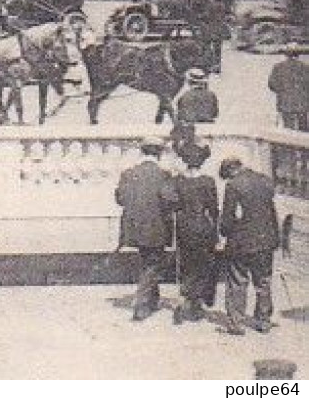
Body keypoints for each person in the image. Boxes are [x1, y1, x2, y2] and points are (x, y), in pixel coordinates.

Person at [217, 155, 281, 335]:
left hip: (241, 243)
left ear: (230, 170)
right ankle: (263, 321)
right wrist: (275, 239)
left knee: (237, 281)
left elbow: (228, 216)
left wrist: (223, 232)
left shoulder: (234, 185)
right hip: (265, 241)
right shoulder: (265, 181)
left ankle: (236, 323)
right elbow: (272, 212)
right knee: (263, 281)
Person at [116, 136, 173, 321]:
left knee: (148, 261)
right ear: (159, 153)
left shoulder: (128, 173)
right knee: (153, 263)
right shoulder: (163, 174)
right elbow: (169, 200)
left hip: (133, 227)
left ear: (142, 151)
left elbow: (120, 198)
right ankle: (141, 304)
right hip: (156, 226)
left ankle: (152, 299)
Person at [165, 143, 219, 324]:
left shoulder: (178, 181)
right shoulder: (208, 182)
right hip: (203, 227)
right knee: (203, 265)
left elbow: (172, 203)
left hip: (184, 227)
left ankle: (184, 299)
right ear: (202, 162)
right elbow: (213, 209)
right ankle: (196, 303)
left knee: (186, 264)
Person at [171, 68, 219, 160]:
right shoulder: (212, 95)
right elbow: (215, 114)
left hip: (190, 132)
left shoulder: (185, 97)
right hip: (208, 130)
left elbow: (180, 116)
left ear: (189, 82)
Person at [268, 48, 309, 131]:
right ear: (298, 55)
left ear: (286, 55)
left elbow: (271, 84)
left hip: (285, 102)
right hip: (302, 103)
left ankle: (289, 141)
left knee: (288, 128)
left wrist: (282, 92)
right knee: (303, 127)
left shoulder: (278, 67)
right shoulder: (305, 67)